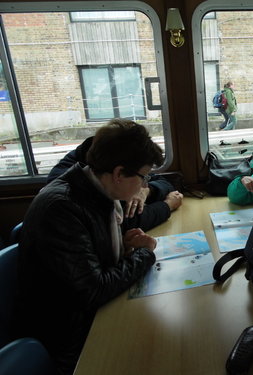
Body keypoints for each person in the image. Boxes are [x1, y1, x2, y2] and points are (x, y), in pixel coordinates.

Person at [14, 120, 164, 375]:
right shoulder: (63, 208)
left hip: (83, 314)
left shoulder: (94, 190)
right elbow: (93, 290)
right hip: (67, 335)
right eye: (143, 177)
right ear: (118, 173)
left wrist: (123, 249)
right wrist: (143, 254)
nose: (143, 185)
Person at [47, 132, 183, 232]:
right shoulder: (70, 193)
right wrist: (167, 206)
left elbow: (163, 182)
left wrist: (145, 191)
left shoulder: (107, 166)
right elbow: (124, 222)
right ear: (119, 174)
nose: (145, 183)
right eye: (143, 178)